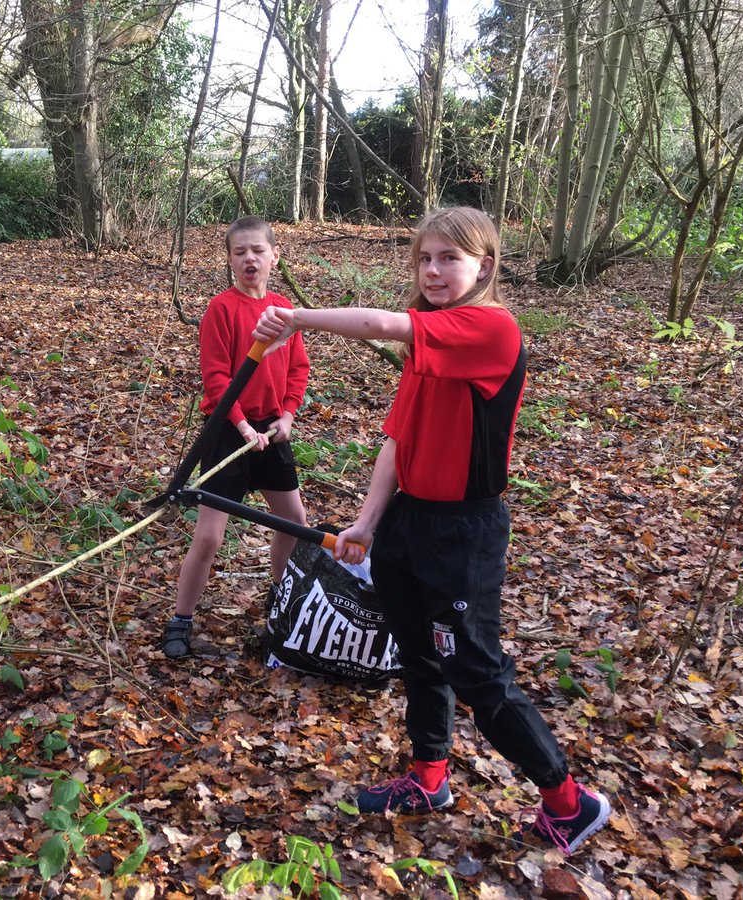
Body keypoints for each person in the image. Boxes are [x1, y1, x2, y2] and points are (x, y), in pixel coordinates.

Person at [252, 206, 611, 855]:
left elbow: (382, 323)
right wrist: (367, 520)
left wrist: (296, 318)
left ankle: (569, 800)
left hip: (462, 530)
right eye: (425, 258)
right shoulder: (429, 343)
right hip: (408, 520)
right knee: (419, 657)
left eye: (451, 257)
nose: (435, 269)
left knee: (475, 670)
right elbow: (398, 437)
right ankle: (429, 778)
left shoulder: (490, 330)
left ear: (485, 265)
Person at [162, 215, 311, 659]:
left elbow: (298, 368)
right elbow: (217, 378)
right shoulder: (221, 309)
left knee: (294, 523)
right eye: (240, 251)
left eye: (258, 250)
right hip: (229, 432)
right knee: (209, 536)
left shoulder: (284, 309)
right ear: (229, 260)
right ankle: (181, 619)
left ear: (274, 256)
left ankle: (279, 597)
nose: (250, 259)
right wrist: (243, 425)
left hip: (272, 430)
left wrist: (286, 417)